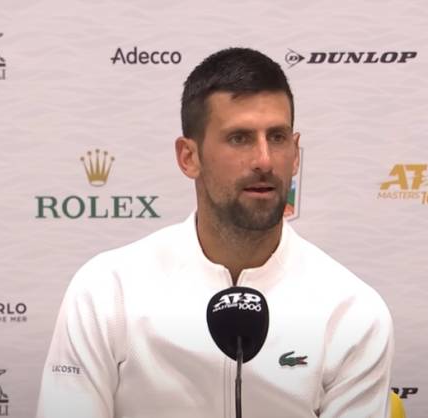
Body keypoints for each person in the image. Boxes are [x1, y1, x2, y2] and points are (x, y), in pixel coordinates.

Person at [36, 47, 394, 418]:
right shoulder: (106, 293)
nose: (264, 160)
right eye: (239, 138)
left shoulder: (352, 312)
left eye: (277, 137)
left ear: (296, 153)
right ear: (188, 157)